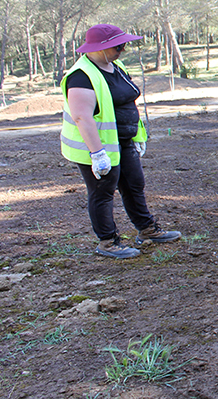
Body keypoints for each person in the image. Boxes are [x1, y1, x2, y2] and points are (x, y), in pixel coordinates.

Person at [61, 24, 181, 259]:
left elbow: (126, 101)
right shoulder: (80, 76)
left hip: (122, 142)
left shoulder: (115, 65)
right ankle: (108, 241)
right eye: (119, 46)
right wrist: (97, 153)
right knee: (103, 192)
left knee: (134, 184)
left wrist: (137, 135)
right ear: (102, 47)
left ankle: (147, 229)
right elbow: (81, 116)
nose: (123, 49)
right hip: (97, 147)